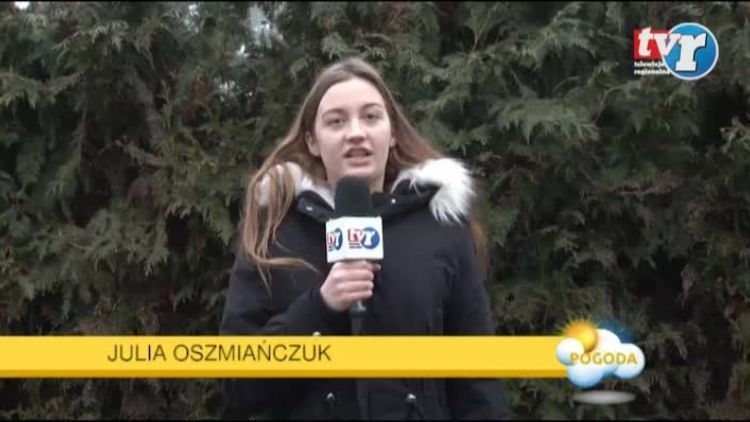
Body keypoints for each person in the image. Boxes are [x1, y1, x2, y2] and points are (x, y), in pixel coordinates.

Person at [220, 57, 510, 420]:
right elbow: (237, 383)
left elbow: (478, 381)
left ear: (392, 134)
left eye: (371, 117)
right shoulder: (276, 232)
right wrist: (320, 307)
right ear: (312, 141)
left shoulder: (441, 229)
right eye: (336, 121)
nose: (355, 133)